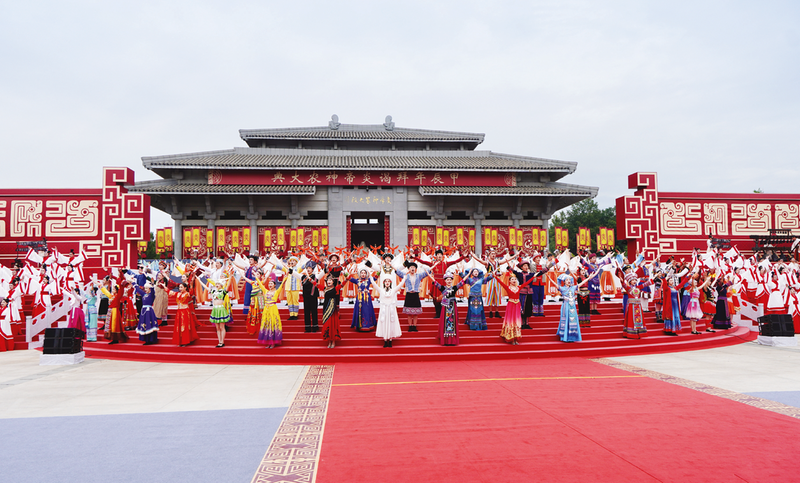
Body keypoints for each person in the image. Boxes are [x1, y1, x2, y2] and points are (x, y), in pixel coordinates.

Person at [494, 270, 538, 345]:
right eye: (512, 279)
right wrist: (495, 276)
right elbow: (501, 283)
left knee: (516, 321)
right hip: (511, 305)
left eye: (515, 279)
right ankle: (510, 337)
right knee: (511, 320)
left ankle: (516, 338)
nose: (514, 280)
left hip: (517, 305)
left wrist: (533, 277)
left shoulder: (518, 287)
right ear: (510, 281)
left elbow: (526, 283)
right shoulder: (507, 287)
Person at [556, 271, 599, 342]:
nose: (569, 281)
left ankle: (572, 337)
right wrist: (549, 279)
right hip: (565, 306)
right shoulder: (562, 288)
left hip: (572, 307)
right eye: (567, 280)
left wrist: (588, 278)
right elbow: (556, 285)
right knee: (566, 320)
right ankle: (565, 337)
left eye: (569, 280)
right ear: (564, 282)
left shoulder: (573, 287)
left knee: (573, 321)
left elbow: (581, 283)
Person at [245, 276, 287, 349]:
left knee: (272, 324)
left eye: (271, 284)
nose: (270, 285)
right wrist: (256, 277)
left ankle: (273, 342)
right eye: (269, 284)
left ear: (274, 285)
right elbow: (260, 285)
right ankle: (268, 342)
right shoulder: (266, 291)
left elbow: (281, 285)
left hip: (273, 309)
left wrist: (285, 279)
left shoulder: (276, 292)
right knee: (266, 325)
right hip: (266, 309)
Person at [431, 273, 467, 346]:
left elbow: (462, 282)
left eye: (450, 280)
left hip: (453, 307)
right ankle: (445, 340)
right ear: (445, 281)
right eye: (447, 280)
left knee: (452, 323)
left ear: (452, 280)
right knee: (445, 322)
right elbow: (435, 282)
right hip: (445, 307)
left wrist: (468, 274)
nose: (449, 281)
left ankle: (452, 340)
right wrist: (429, 275)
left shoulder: (454, 288)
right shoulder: (442, 288)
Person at [375, 277, 407, 347]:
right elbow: (374, 285)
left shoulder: (393, 290)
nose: (387, 283)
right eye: (386, 281)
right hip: (384, 309)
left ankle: (390, 340)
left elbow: (400, 285)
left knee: (391, 323)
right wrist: (370, 277)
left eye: (388, 281)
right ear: (384, 283)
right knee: (384, 323)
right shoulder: (381, 290)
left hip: (391, 309)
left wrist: (404, 277)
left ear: (390, 283)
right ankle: (385, 340)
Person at [100, 278, 130, 345]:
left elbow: (121, 291)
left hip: (115, 311)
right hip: (110, 311)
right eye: (112, 289)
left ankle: (115, 339)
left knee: (114, 325)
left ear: (116, 291)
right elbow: (105, 292)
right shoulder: (111, 296)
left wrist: (121, 284)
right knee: (110, 325)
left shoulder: (118, 296)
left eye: (114, 289)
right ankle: (112, 337)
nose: (112, 290)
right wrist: (99, 285)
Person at [319, 275, 342, 348]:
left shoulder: (335, 288)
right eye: (328, 280)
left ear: (333, 282)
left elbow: (342, 285)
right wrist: (310, 279)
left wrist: (347, 278)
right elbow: (316, 285)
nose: (329, 281)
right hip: (326, 307)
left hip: (332, 309)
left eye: (330, 280)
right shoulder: (325, 288)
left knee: (333, 324)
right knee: (327, 324)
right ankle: (329, 340)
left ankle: (333, 340)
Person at [301, 263, 321, 333]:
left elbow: (323, 273)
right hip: (306, 296)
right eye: (307, 268)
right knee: (306, 312)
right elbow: (296, 274)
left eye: (309, 268)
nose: (308, 269)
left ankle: (315, 327)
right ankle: (308, 328)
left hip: (313, 296)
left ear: (312, 269)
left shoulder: (315, 276)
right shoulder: (303, 277)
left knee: (314, 312)